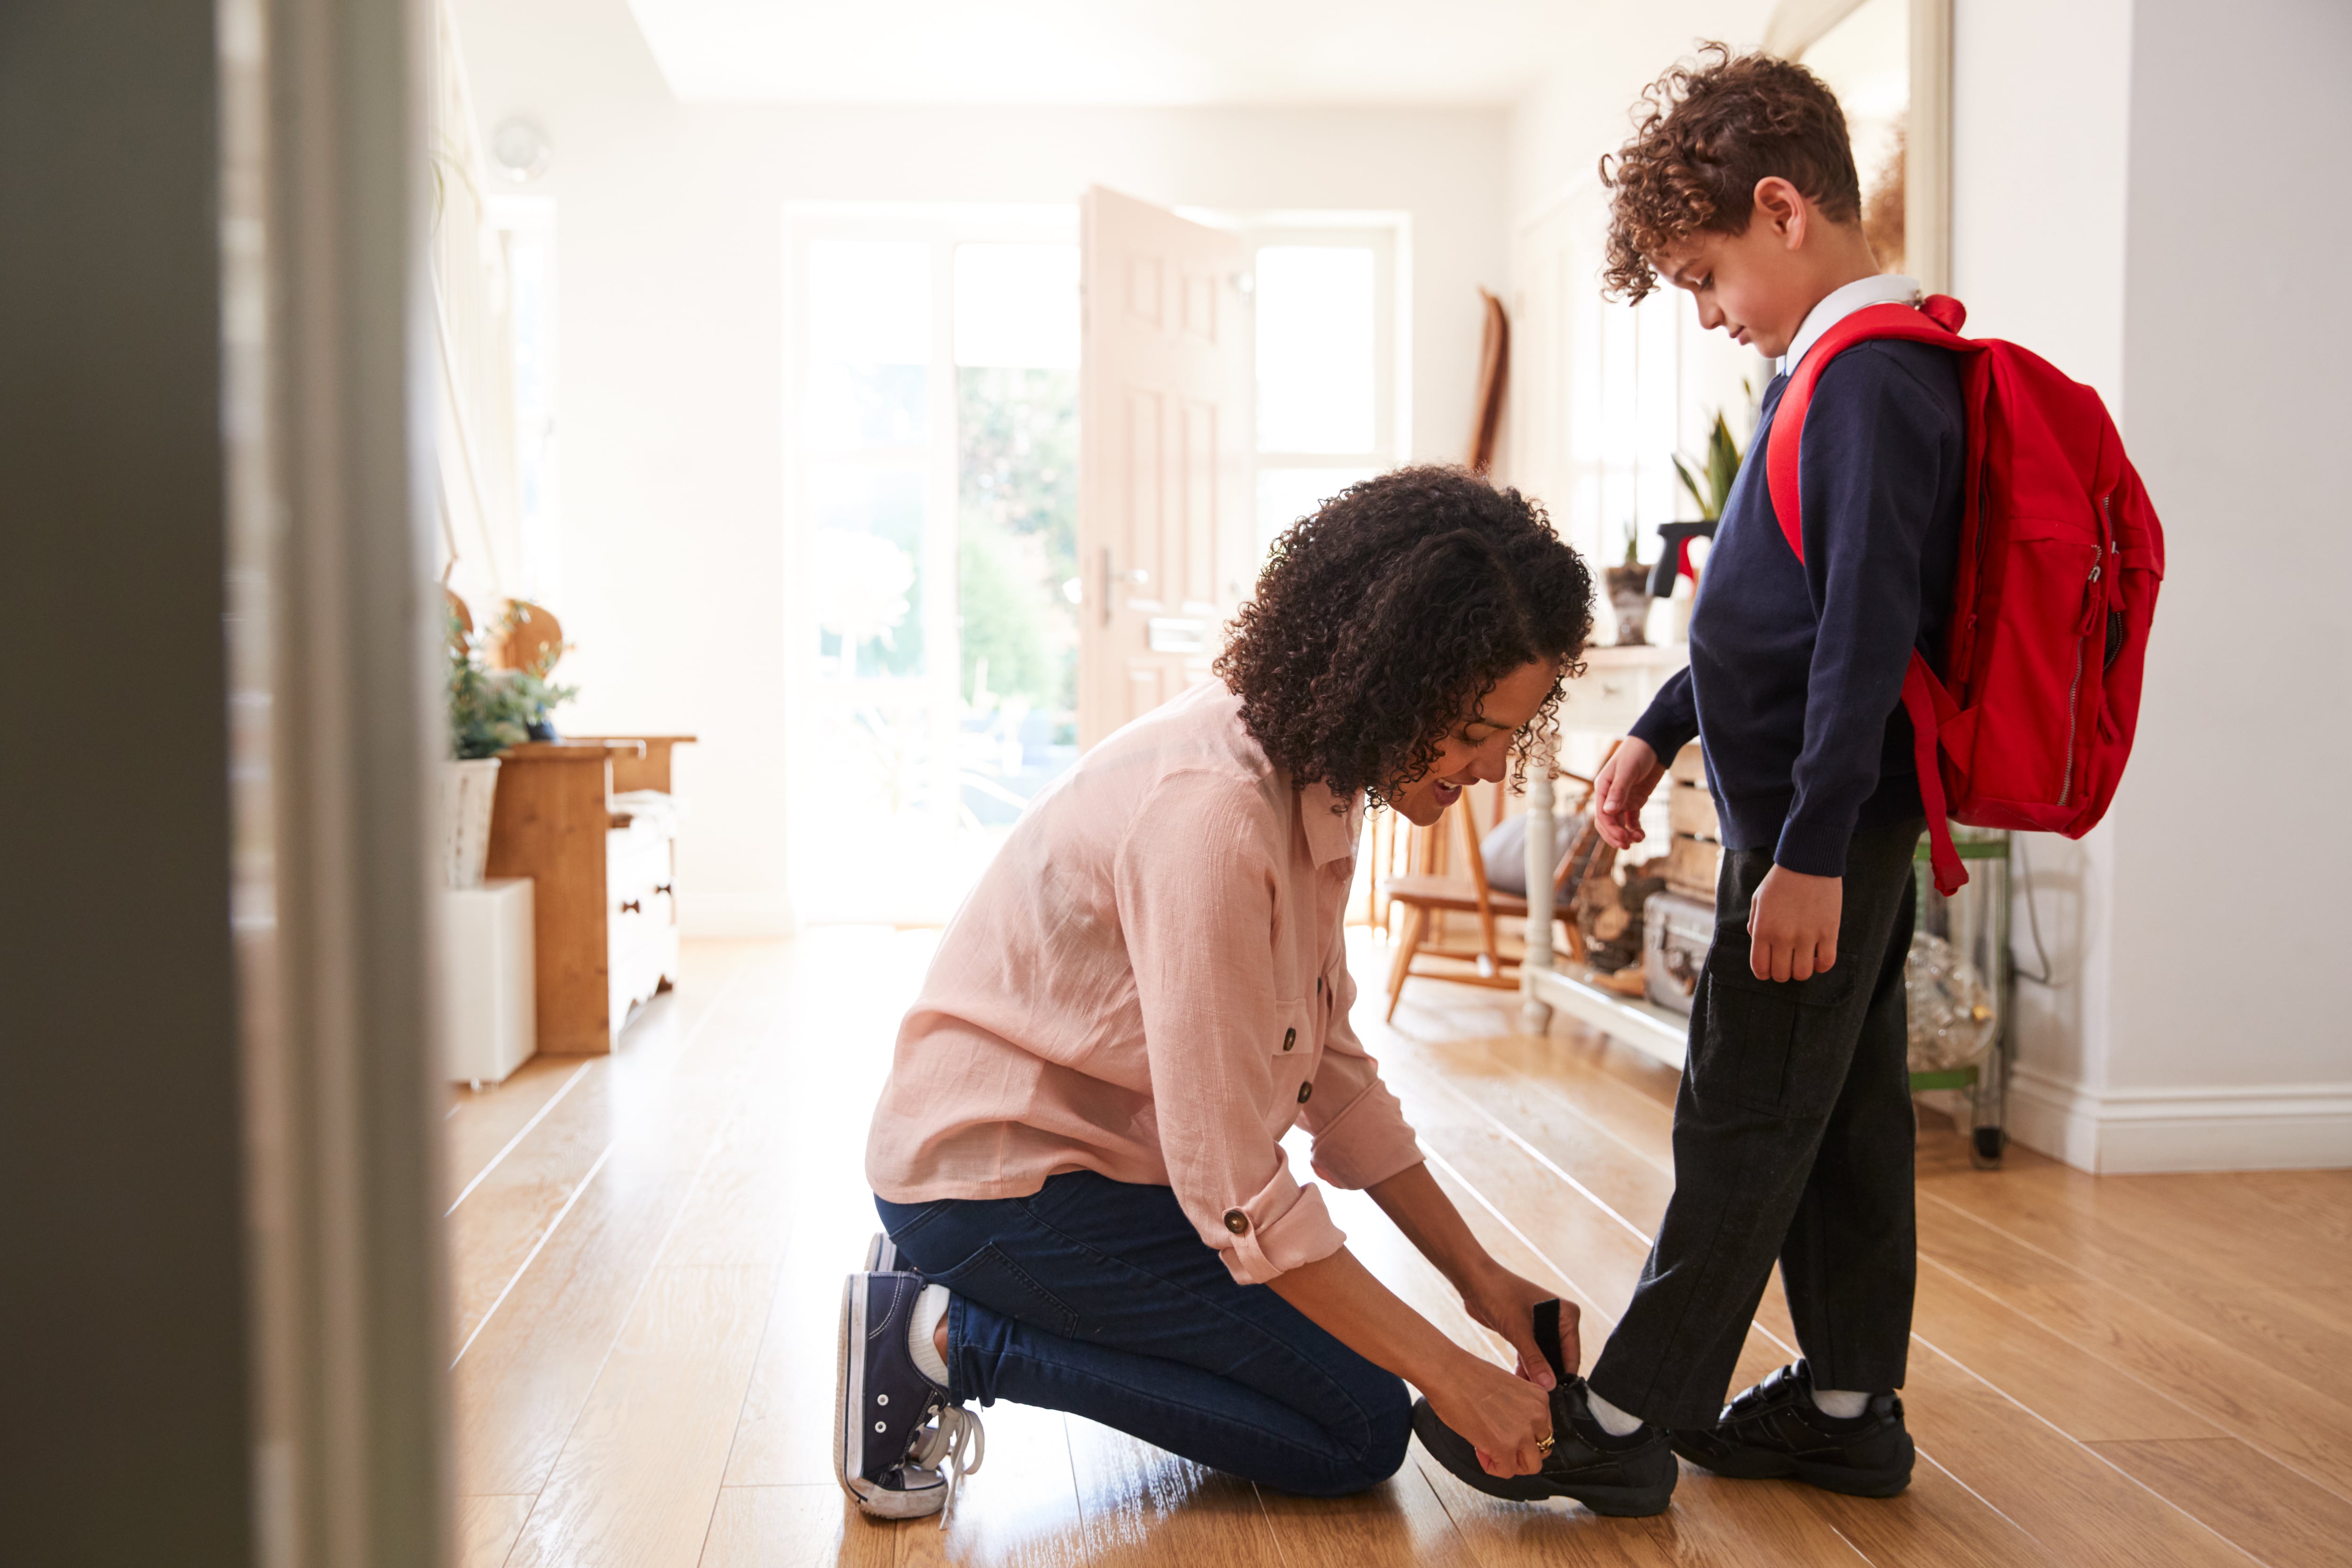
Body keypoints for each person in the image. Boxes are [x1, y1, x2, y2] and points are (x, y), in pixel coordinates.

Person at [837, 468, 1677, 1523]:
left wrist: (1478, 1278)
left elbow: (1328, 1063)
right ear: (1387, 677)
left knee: (1346, 1380)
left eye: (1507, 731)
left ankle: (965, 1317)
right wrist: (1452, 1377)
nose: (1493, 765)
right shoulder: (1215, 820)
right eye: (1471, 729)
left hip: (1102, 1159)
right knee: (1356, 1427)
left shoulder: (1318, 770)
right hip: (992, 1185)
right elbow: (1236, 1188)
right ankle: (940, 1335)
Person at [1413, 46, 1956, 1506]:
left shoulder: (1873, 382)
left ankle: (1632, 1418)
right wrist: (1659, 724)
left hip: (1814, 829)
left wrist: (1814, 848)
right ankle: (1844, 1401)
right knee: (1833, 1108)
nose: (1711, 315)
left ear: (1784, 209)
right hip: (1812, 815)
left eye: (1709, 277)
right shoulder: (1825, 375)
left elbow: (1862, 630)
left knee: (1741, 1109)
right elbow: (1766, 597)